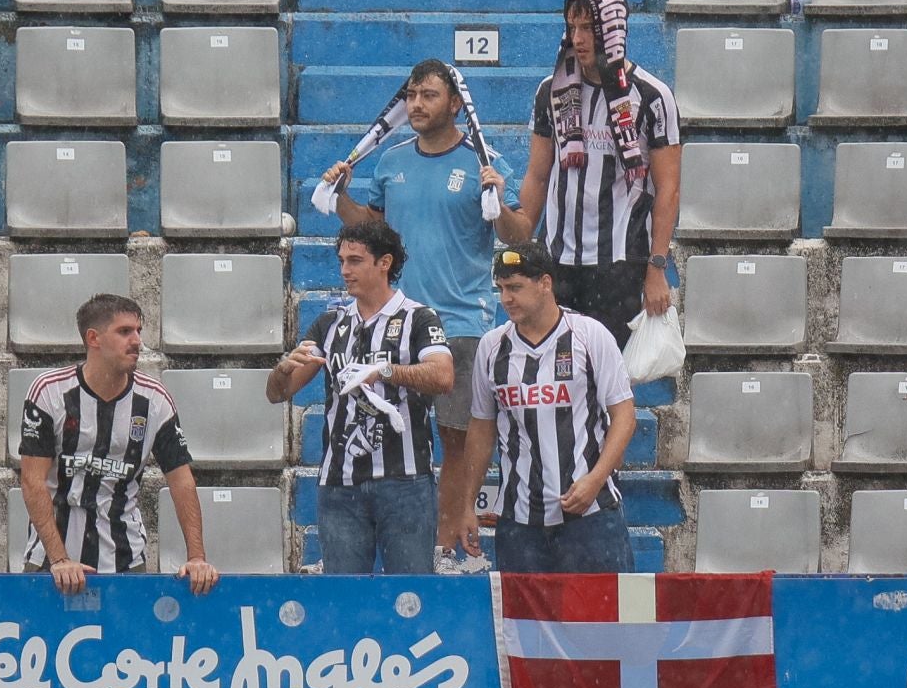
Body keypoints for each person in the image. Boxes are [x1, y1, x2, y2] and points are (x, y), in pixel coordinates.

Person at [320, 58, 528, 572]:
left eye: (428, 95)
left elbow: (519, 237)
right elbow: (371, 230)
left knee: (457, 440)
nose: (416, 104)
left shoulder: (486, 160)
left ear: (455, 104)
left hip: (464, 323)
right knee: (400, 441)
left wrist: (498, 201)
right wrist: (342, 195)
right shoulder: (390, 161)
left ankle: (446, 547)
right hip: (400, 325)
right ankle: (422, 545)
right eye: (411, 95)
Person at [266, 219, 454, 574]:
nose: (344, 270)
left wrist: (383, 370)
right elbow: (279, 394)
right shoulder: (330, 323)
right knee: (344, 600)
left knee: (410, 594)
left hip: (405, 481)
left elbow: (443, 377)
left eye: (354, 261)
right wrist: (283, 368)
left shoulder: (419, 317)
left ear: (384, 263)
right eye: (341, 261)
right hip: (339, 485)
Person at [18, 293, 219, 596]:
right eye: (125, 332)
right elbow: (32, 481)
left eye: (139, 331)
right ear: (93, 338)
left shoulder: (154, 400)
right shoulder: (49, 392)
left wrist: (197, 558)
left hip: (126, 561)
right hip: (51, 563)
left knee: (132, 644)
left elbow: (182, 482)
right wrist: (60, 560)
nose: (137, 340)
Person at [514, 0, 682, 347]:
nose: (578, 38)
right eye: (572, 28)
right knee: (555, 368)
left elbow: (668, 188)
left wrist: (657, 268)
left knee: (610, 378)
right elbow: (537, 175)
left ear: (613, 30)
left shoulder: (652, 96)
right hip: (556, 258)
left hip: (620, 260)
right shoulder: (551, 91)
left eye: (589, 28)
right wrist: (523, 243)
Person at [456, 243, 637, 574]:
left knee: (603, 622)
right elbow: (481, 427)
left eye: (515, 287)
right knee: (525, 626)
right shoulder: (492, 347)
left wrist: (596, 479)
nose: (506, 298)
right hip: (520, 522)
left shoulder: (589, 335)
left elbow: (624, 416)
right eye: (501, 289)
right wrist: (467, 503)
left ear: (545, 283)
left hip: (592, 514)